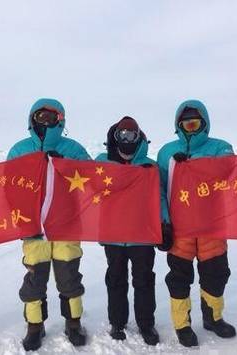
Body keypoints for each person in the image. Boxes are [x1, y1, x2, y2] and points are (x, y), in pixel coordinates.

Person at [7, 98, 91, 351]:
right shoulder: (19, 150)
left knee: (69, 277)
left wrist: (66, 164)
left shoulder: (73, 148)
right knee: (35, 277)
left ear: (60, 120)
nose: (45, 121)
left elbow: (92, 179)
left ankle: (73, 323)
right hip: (33, 227)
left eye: (50, 117)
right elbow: (7, 186)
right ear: (32, 118)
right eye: (40, 116)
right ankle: (34, 326)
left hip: (67, 224)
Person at [157, 100, 236, 347]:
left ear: (204, 124)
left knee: (216, 275)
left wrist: (194, 165)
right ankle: (182, 324)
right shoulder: (166, 152)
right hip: (180, 229)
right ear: (178, 126)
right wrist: (164, 223)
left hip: (212, 226)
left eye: (195, 123)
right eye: (186, 124)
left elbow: (228, 170)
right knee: (179, 278)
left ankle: (213, 318)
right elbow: (158, 190)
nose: (191, 128)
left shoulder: (221, 147)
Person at [95, 116, 160, 345]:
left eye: (131, 135)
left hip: (142, 235)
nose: (126, 139)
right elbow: (90, 190)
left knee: (143, 280)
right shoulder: (102, 163)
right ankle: (117, 322)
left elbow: (159, 198)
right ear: (115, 137)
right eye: (122, 135)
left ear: (138, 137)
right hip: (113, 234)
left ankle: (146, 323)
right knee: (115, 279)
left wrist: (164, 224)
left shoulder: (150, 166)